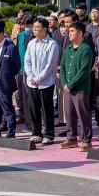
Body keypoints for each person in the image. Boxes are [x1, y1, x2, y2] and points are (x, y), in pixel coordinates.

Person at [23, 17, 60, 145]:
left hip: (46, 82)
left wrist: (39, 78)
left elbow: (50, 65)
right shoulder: (31, 43)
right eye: (33, 27)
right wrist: (31, 76)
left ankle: (49, 134)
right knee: (33, 108)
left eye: (37, 28)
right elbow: (27, 60)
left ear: (45, 29)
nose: (34, 30)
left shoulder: (52, 44)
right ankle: (36, 133)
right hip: (32, 81)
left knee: (46, 109)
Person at [60, 20, 95, 151]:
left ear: (80, 33)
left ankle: (86, 140)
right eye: (69, 31)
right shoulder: (68, 49)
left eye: (72, 31)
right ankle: (71, 138)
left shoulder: (85, 49)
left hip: (80, 89)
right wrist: (64, 83)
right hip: (67, 89)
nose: (69, 33)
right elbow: (62, 68)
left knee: (83, 114)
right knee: (69, 114)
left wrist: (70, 84)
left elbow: (84, 71)